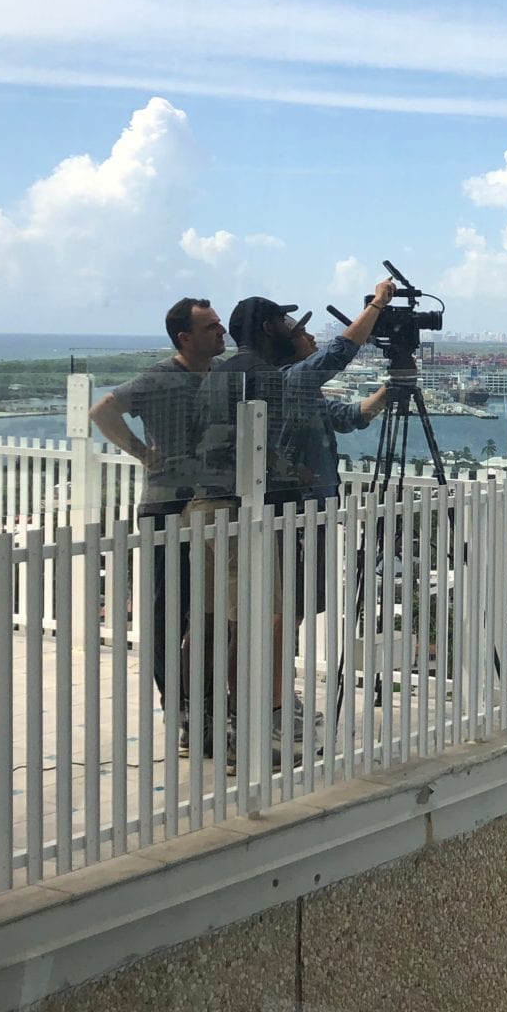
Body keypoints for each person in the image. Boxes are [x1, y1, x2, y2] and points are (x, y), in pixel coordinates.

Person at [192, 282, 396, 761]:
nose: (296, 330)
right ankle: (271, 709)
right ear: (268, 329)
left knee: (289, 614)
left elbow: (346, 417)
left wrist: (392, 390)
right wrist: (377, 304)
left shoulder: (283, 383)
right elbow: (339, 353)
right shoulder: (284, 381)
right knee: (281, 616)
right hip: (294, 514)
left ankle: (274, 702)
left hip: (308, 510)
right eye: (289, 324)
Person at [88, 298, 223, 742]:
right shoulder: (159, 378)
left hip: (208, 506)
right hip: (166, 507)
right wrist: (141, 453)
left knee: (209, 611)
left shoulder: (222, 377)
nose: (221, 333)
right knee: (171, 613)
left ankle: (202, 701)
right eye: (210, 328)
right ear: (185, 337)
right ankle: (179, 709)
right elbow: (103, 410)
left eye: (220, 325)